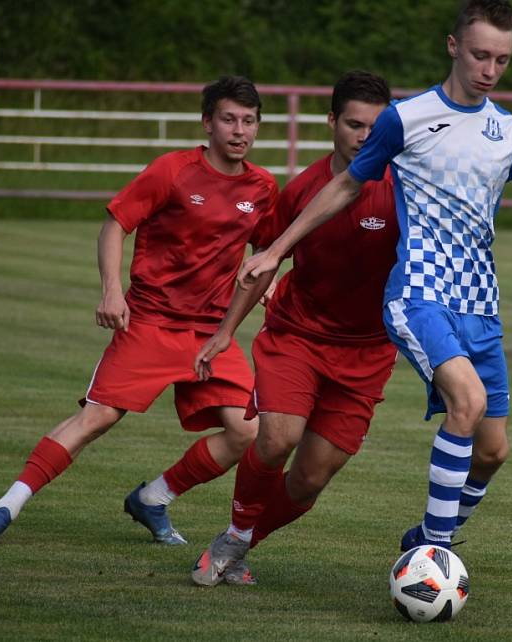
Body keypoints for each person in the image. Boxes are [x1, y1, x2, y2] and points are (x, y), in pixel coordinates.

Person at [235, 0, 512, 554]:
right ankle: (434, 550)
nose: (490, 69)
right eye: (481, 54)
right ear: (454, 46)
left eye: (502, 60)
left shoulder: (507, 132)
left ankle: (430, 536)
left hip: (479, 301)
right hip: (420, 291)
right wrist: (277, 251)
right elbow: (345, 187)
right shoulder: (405, 119)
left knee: (492, 451)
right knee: (466, 402)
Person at [0, 76, 279, 553]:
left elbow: (264, 250)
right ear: (207, 123)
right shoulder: (171, 171)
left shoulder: (262, 187)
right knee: (97, 418)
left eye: (249, 121)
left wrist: (269, 278)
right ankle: (7, 504)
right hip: (149, 323)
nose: (240, 130)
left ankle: (153, 498)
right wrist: (112, 291)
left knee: (248, 431)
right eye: (229, 119)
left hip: (212, 335)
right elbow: (116, 223)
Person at [189, 71, 397, 586]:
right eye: (353, 124)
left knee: (308, 481)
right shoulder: (304, 190)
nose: (364, 136)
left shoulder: (408, 191)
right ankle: (237, 533)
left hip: (368, 354)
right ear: (331, 122)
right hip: (297, 338)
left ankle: (237, 544)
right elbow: (265, 264)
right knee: (278, 438)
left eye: (376, 126)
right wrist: (225, 330)